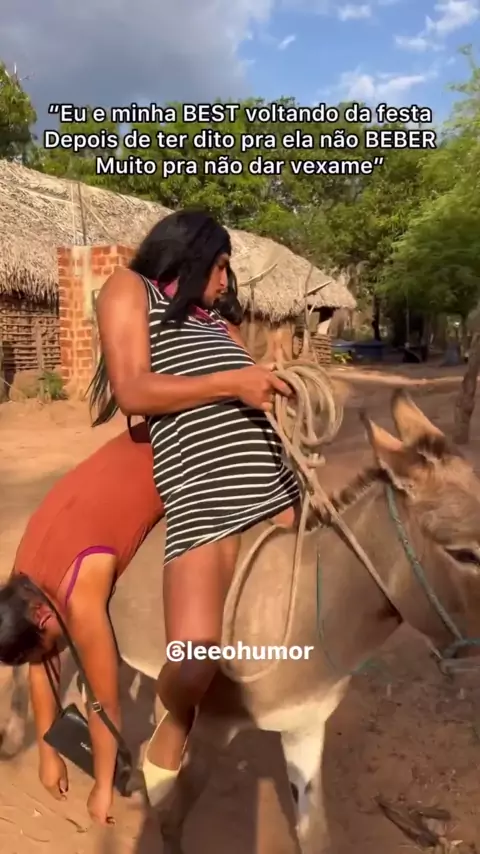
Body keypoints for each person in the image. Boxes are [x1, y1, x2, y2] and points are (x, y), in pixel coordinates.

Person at [93, 209, 301, 807]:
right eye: (220, 265)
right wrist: (234, 384)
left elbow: (250, 383)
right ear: (190, 255)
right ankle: (177, 719)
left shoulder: (217, 323)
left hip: (272, 489)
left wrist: (273, 383)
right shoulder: (129, 289)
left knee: (305, 620)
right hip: (204, 494)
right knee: (192, 664)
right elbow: (133, 390)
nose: (224, 280)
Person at [0, 423, 164, 824]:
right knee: (44, 648)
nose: (51, 653)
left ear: (41, 615)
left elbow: (104, 703)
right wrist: (47, 752)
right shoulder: (23, 577)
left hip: (176, 450)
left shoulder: (82, 598)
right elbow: (42, 662)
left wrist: (103, 787)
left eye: (46, 643)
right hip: (137, 439)